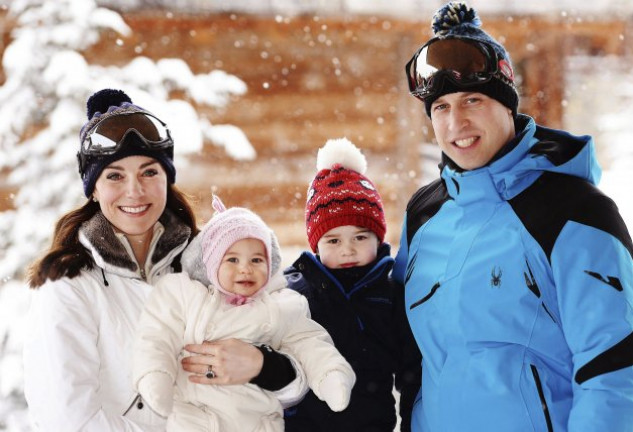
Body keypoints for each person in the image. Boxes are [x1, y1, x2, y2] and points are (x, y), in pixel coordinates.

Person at [393, 2, 633, 431]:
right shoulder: (424, 215)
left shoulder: (574, 212)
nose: (457, 121)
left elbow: (614, 368)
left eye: (473, 100)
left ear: (508, 106)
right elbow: (408, 357)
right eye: (441, 107)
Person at [23, 89, 304, 431]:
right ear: (93, 188)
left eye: (148, 172)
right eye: (114, 175)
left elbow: (299, 374)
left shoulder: (211, 260)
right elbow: (66, 418)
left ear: (167, 178)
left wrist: (265, 366)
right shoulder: (69, 283)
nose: (134, 190)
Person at [133, 195, 356, 431]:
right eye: (232, 259)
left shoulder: (281, 305)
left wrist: (330, 374)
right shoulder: (187, 297)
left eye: (257, 259)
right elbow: (157, 336)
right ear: (211, 264)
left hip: (256, 423)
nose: (246, 269)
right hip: (196, 419)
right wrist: (156, 374)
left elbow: (310, 343)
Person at [283, 138, 422, 431]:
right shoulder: (294, 293)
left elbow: (412, 373)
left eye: (360, 237)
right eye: (333, 240)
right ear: (317, 246)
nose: (348, 249)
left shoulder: (391, 295)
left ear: (378, 238)